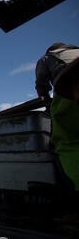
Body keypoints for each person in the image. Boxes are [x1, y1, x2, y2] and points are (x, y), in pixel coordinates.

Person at [35, 42, 79, 190]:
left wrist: (46, 101)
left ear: (50, 50)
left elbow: (41, 86)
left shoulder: (47, 58)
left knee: (66, 142)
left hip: (71, 91)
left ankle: (72, 190)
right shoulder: (75, 51)